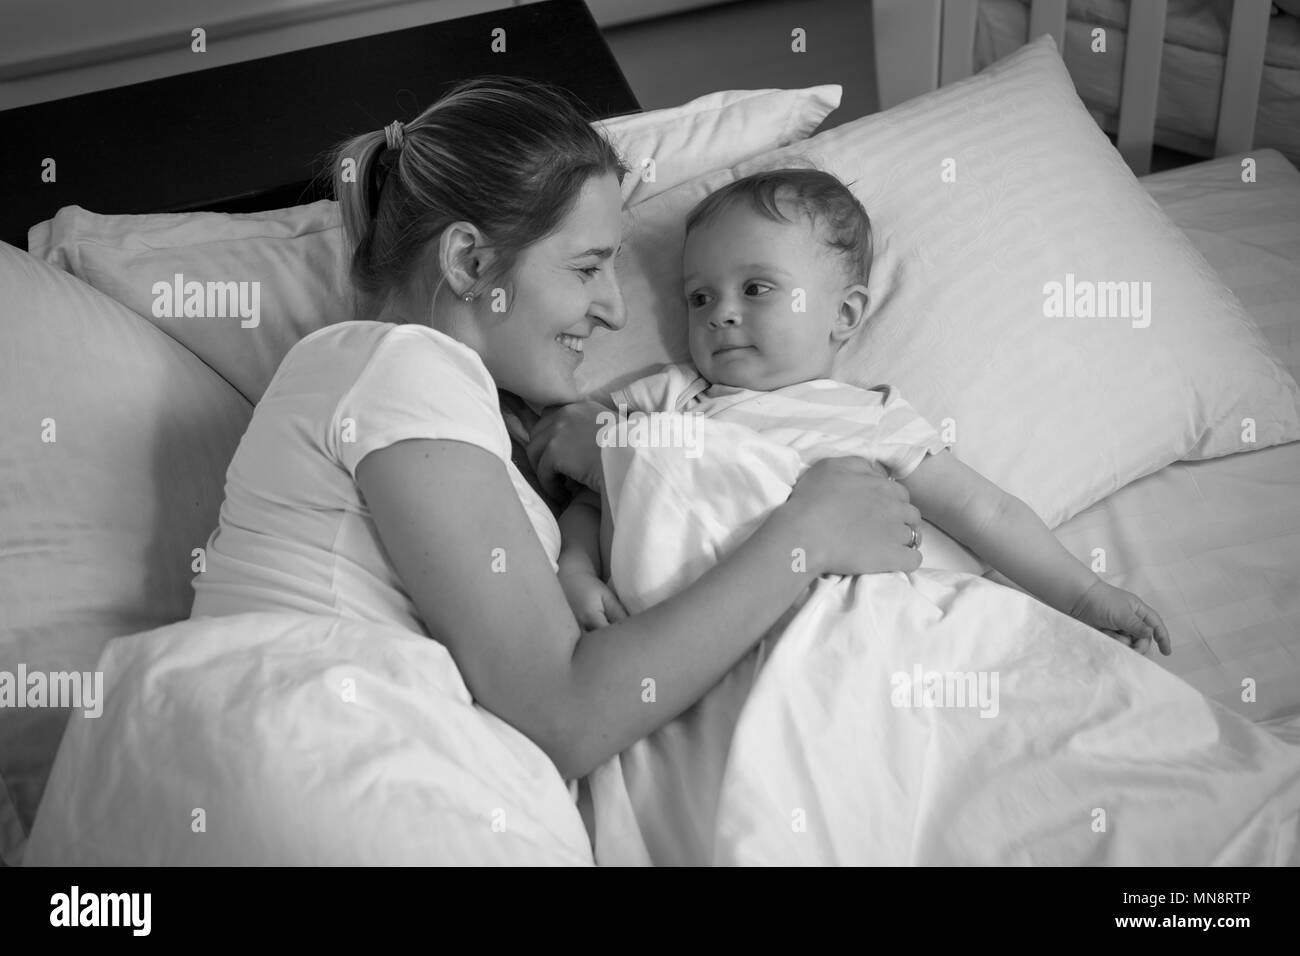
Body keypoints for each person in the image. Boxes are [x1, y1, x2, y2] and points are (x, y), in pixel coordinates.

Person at [188, 78, 926, 782]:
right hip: (333, 779)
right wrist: (806, 536)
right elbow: (565, 713)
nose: (616, 312)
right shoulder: (397, 365)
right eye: (587, 268)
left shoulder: (442, 405)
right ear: (470, 262)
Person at [556, 167, 1172, 656]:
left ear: (844, 315)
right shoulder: (670, 398)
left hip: (849, 635)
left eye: (756, 288)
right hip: (694, 632)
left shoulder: (870, 416)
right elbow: (600, 492)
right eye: (699, 296)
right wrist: (576, 570)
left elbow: (986, 511)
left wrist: (1085, 595)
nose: (720, 312)